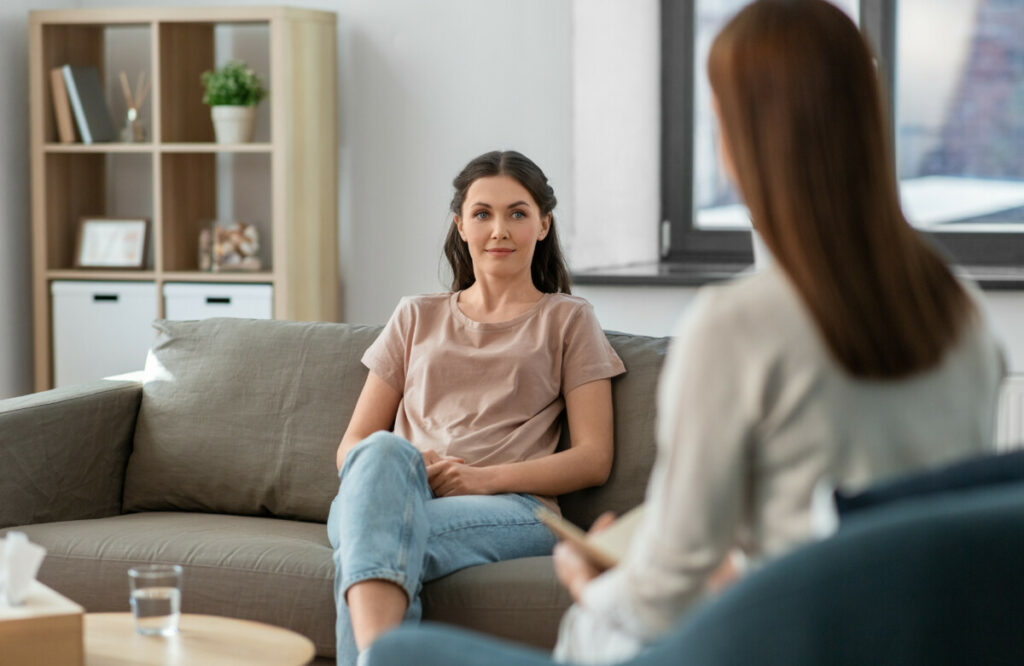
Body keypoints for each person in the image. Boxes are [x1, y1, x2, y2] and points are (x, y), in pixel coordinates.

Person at [363, 1, 1005, 665]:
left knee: (399, 657)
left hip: (760, 644)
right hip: (896, 639)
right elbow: (895, 534)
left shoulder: (737, 326)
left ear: (739, 140)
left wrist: (595, 584)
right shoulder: (959, 309)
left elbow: (664, 590)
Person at [327, 149, 626, 665]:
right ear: (461, 225)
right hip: (396, 491)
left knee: (373, 547)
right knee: (380, 456)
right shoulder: (414, 315)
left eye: (518, 213)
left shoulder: (569, 320)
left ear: (543, 223)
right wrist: (414, 466)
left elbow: (594, 457)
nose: (499, 230)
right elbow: (351, 449)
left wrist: (479, 478)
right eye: (483, 213)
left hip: (513, 507)